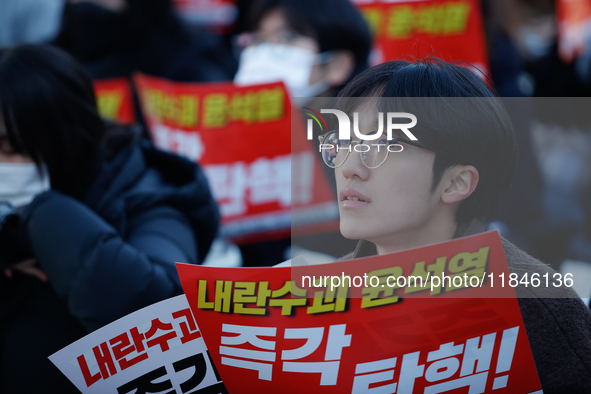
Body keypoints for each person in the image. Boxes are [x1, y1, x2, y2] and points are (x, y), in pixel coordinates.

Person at [317, 58, 591, 392]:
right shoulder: (312, 300)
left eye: (382, 144)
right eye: (343, 142)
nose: (350, 167)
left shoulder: (536, 304)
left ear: (456, 183)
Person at [0, 44, 219, 393]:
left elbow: (159, 319)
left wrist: (44, 215)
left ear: (65, 138)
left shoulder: (153, 199)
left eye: (10, 148)